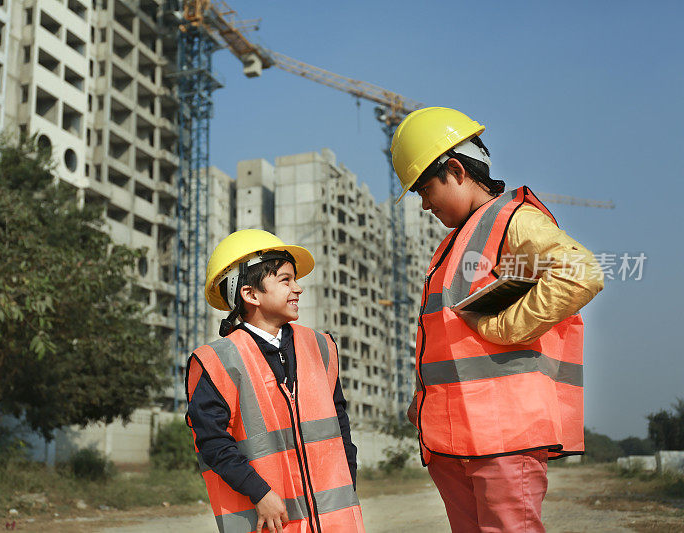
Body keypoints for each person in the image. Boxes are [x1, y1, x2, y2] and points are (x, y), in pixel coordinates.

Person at [390, 107, 604, 532]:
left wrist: (505, 326)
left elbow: (581, 272)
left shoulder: (513, 220)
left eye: (426, 189)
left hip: (505, 435)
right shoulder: (456, 244)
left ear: (455, 169)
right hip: (454, 440)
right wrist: (426, 400)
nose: (425, 204)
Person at [186, 229, 365, 533]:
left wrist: (348, 480)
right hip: (270, 520)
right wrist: (260, 493)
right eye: (285, 280)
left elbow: (339, 424)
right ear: (250, 294)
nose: (298, 288)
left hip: (334, 521)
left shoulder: (321, 347)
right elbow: (212, 441)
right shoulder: (216, 361)